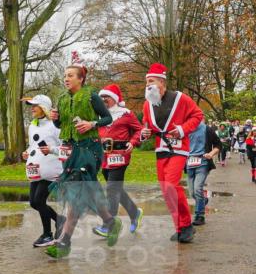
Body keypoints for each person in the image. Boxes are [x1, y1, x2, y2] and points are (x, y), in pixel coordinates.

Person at [46, 55, 123, 258]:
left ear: (81, 78)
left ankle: (64, 242)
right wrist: (55, 119)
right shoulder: (62, 99)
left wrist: (91, 124)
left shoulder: (91, 96)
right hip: (71, 150)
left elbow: (107, 118)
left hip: (90, 150)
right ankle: (110, 222)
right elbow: (61, 125)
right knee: (85, 192)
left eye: (70, 75)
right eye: (65, 75)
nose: (66, 78)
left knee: (77, 192)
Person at [139, 63, 204, 243]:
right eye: (146, 82)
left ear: (162, 82)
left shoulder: (180, 98)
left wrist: (182, 129)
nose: (148, 85)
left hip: (178, 148)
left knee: (171, 186)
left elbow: (198, 115)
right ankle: (180, 227)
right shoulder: (147, 104)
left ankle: (187, 225)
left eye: (151, 81)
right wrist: (145, 133)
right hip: (161, 149)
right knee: (166, 191)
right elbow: (147, 125)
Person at [93, 84, 144, 236]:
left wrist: (133, 142)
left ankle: (109, 225)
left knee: (111, 189)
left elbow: (140, 129)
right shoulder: (99, 116)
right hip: (104, 156)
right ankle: (134, 213)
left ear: (114, 99)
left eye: (106, 97)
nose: (103, 100)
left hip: (120, 154)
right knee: (116, 189)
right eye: (101, 97)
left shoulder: (125, 114)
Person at [21, 94, 63, 247]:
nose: (32, 108)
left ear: (44, 108)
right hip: (36, 169)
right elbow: (33, 145)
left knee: (39, 200)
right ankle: (60, 220)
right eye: (31, 106)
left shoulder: (56, 125)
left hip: (51, 170)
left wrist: (51, 150)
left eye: (35, 106)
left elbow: (65, 147)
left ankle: (47, 234)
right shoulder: (33, 125)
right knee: (34, 202)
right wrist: (26, 152)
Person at [185, 122, 223, 226]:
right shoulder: (185, 129)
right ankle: (203, 200)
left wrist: (211, 154)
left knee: (198, 189)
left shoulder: (207, 129)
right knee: (192, 193)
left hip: (203, 162)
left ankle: (200, 216)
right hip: (189, 164)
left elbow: (218, 144)